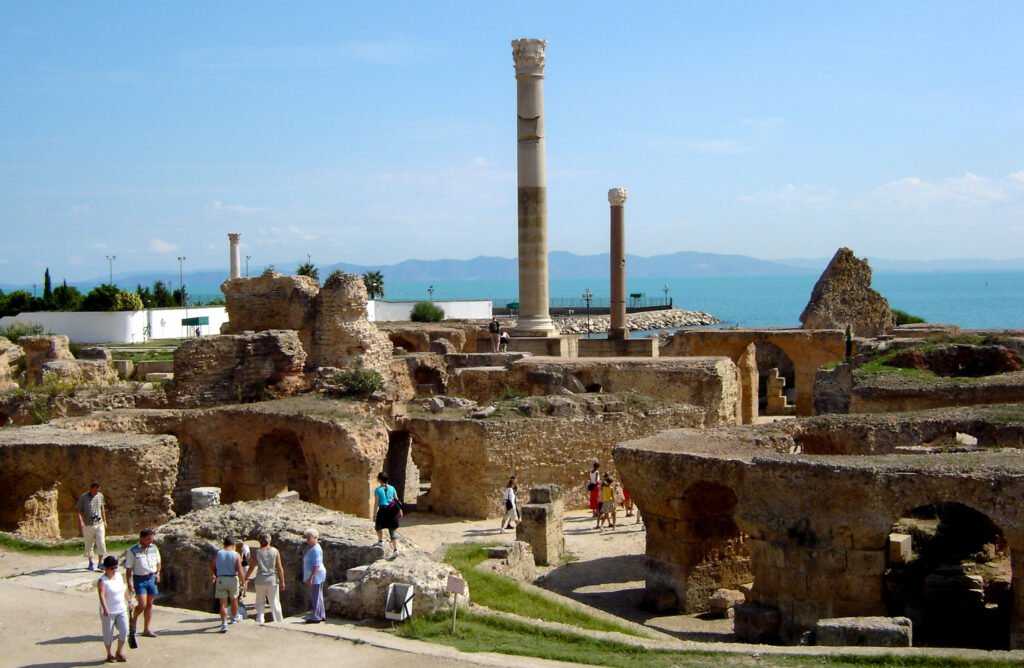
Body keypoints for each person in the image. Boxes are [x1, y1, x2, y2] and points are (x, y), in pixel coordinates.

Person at [125, 528, 161, 638]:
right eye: (148, 539)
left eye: (151, 539)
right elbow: (129, 568)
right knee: (142, 604)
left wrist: (158, 573)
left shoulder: (154, 548)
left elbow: (158, 562)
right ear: (141, 538)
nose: (151, 541)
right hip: (140, 579)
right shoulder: (133, 550)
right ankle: (134, 619)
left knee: (149, 604)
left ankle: (147, 629)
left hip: (152, 578)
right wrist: (130, 583)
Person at [96, 555, 130, 663]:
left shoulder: (119, 576)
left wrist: (129, 601)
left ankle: (119, 652)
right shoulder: (102, 581)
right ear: (106, 568)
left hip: (121, 609)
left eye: (116, 567)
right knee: (108, 633)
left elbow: (124, 589)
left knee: (124, 630)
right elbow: (101, 595)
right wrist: (105, 609)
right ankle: (109, 654)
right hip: (109, 611)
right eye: (112, 568)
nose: (114, 570)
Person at [246, 533, 285, 625]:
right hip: (272, 580)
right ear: (269, 540)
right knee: (274, 601)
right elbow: (279, 568)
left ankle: (260, 619)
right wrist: (282, 581)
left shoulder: (258, 552)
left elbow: (252, 567)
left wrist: (246, 577)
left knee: (260, 601)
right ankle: (279, 620)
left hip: (260, 580)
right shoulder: (275, 551)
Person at [210, 536, 247, 633]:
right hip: (232, 579)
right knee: (234, 599)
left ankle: (224, 624)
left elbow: (212, 565)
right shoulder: (236, 554)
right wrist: (244, 582)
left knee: (223, 603)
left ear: (224, 544)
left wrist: (212, 575)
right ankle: (234, 617)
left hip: (221, 579)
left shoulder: (218, 553)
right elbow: (240, 570)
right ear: (234, 545)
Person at [76, 481, 107, 571]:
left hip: (99, 523)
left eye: (98, 490)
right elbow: (78, 509)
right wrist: (81, 521)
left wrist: (105, 520)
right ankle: (90, 562)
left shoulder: (100, 496)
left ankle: (100, 562)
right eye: (95, 490)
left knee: (101, 542)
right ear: (91, 489)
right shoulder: (83, 497)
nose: (96, 492)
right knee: (89, 544)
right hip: (88, 524)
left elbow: (102, 508)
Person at [373, 472, 402, 558]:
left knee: (378, 526)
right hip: (392, 510)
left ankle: (380, 541)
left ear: (379, 480)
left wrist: (374, 513)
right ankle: (396, 549)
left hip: (383, 510)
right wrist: (400, 510)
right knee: (392, 531)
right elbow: (397, 500)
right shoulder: (392, 488)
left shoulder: (378, 490)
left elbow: (376, 503)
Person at [302, 529, 326, 624]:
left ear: (315, 538)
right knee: (318, 595)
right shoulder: (314, 548)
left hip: (316, 575)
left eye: (309, 538)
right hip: (317, 575)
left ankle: (317, 616)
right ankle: (321, 614)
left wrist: (311, 578)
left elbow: (316, 565)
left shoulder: (315, 550)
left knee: (316, 596)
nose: (307, 540)